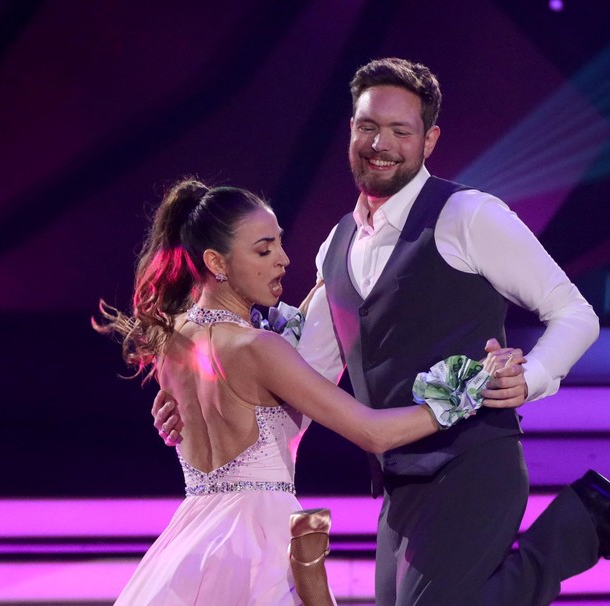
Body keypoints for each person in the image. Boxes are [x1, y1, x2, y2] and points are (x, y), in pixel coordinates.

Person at [153, 58, 610, 605]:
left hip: (473, 463)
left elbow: (574, 312)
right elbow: (304, 377)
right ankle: (589, 520)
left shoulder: (468, 216)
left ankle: (581, 529)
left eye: (400, 130)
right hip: (397, 483)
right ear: (351, 130)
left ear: (429, 139)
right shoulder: (336, 245)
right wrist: (210, 404)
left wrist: (530, 378)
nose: (380, 143)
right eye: (367, 127)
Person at [95, 178, 505, 605]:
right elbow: (373, 433)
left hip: (194, 543)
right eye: (264, 249)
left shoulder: (170, 342)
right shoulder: (256, 348)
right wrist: (466, 389)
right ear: (217, 261)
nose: (283, 260)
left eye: (279, 244)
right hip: (261, 545)